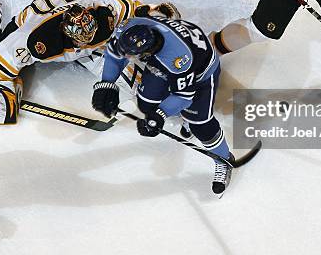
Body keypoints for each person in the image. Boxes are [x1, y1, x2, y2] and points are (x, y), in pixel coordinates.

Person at [0, 0, 179, 124]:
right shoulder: (37, 42)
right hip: (27, 26)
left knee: (142, 88)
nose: (87, 39)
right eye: (81, 39)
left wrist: (157, 14)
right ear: (68, 35)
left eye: (89, 35)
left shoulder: (105, 13)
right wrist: (5, 96)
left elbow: (136, 10)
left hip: (81, 47)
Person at [91, 16, 233, 198]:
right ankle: (181, 115)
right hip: (171, 62)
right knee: (145, 102)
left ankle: (224, 159)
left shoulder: (178, 57)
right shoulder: (129, 28)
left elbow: (184, 95)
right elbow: (115, 54)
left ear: (147, 52)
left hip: (201, 72)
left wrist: (161, 114)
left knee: (200, 125)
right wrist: (107, 84)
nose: (127, 58)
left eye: (131, 55)